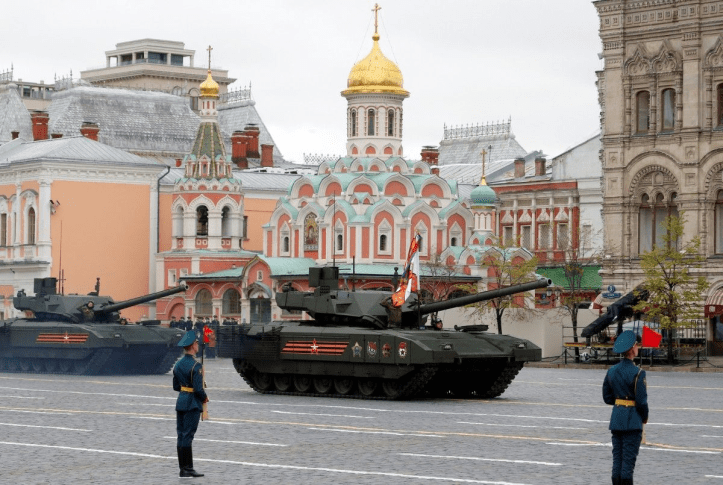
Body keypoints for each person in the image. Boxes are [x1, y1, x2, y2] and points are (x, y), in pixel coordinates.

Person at [603, 330, 648, 485]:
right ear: (632, 349)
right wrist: (644, 417)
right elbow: (642, 402)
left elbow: (607, 397)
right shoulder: (638, 373)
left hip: (616, 419)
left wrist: (620, 404)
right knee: (628, 464)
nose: (638, 347)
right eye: (636, 345)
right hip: (633, 421)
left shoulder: (612, 370)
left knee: (617, 461)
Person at [173, 330, 209, 478]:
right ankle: (188, 468)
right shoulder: (196, 366)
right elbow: (199, 390)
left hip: (181, 401)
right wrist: (205, 398)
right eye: (196, 343)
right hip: (192, 404)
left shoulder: (178, 364)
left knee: (181, 435)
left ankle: (183, 468)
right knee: (188, 436)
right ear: (193, 346)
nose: (198, 346)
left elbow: (176, 386)